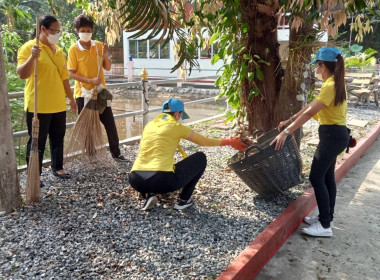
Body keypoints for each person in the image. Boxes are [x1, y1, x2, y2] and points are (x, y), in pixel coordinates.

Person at [270, 47, 349, 237]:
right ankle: (325, 218)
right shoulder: (334, 83)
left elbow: (309, 113)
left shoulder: (330, 86)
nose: (316, 69)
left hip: (332, 136)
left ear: (323, 66)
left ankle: (324, 226)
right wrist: (289, 121)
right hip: (335, 135)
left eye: (318, 66)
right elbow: (310, 108)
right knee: (327, 178)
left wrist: (286, 132)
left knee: (316, 177)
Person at [129, 98, 248, 211]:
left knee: (156, 163)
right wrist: (229, 141)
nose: (179, 118)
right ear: (177, 114)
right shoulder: (177, 127)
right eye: (180, 116)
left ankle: (148, 194)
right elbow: (204, 141)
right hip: (161, 181)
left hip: (135, 180)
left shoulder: (149, 126)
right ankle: (183, 200)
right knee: (200, 158)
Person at [17, 15, 77, 185]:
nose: (57, 34)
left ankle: (58, 167)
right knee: (37, 140)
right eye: (54, 30)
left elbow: (65, 78)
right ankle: (34, 175)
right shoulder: (29, 47)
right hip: (38, 104)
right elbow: (22, 74)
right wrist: (32, 57)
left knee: (58, 137)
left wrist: (71, 99)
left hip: (58, 103)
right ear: (43, 29)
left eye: (59, 31)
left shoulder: (58, 51)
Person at [67, 14, 127, 162]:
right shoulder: (74, 49)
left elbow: (107, 67)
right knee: (87, 126)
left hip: (101, 93)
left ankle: (116, 152)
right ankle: (91, 153)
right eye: (83, 30)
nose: (86, 33)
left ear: (92, 30)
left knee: (110, 123)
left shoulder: (99, 45)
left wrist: (105, 53)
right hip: (82, 93)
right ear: (77, 31)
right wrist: (90, 80)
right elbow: (71, 73)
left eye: (89, 30)